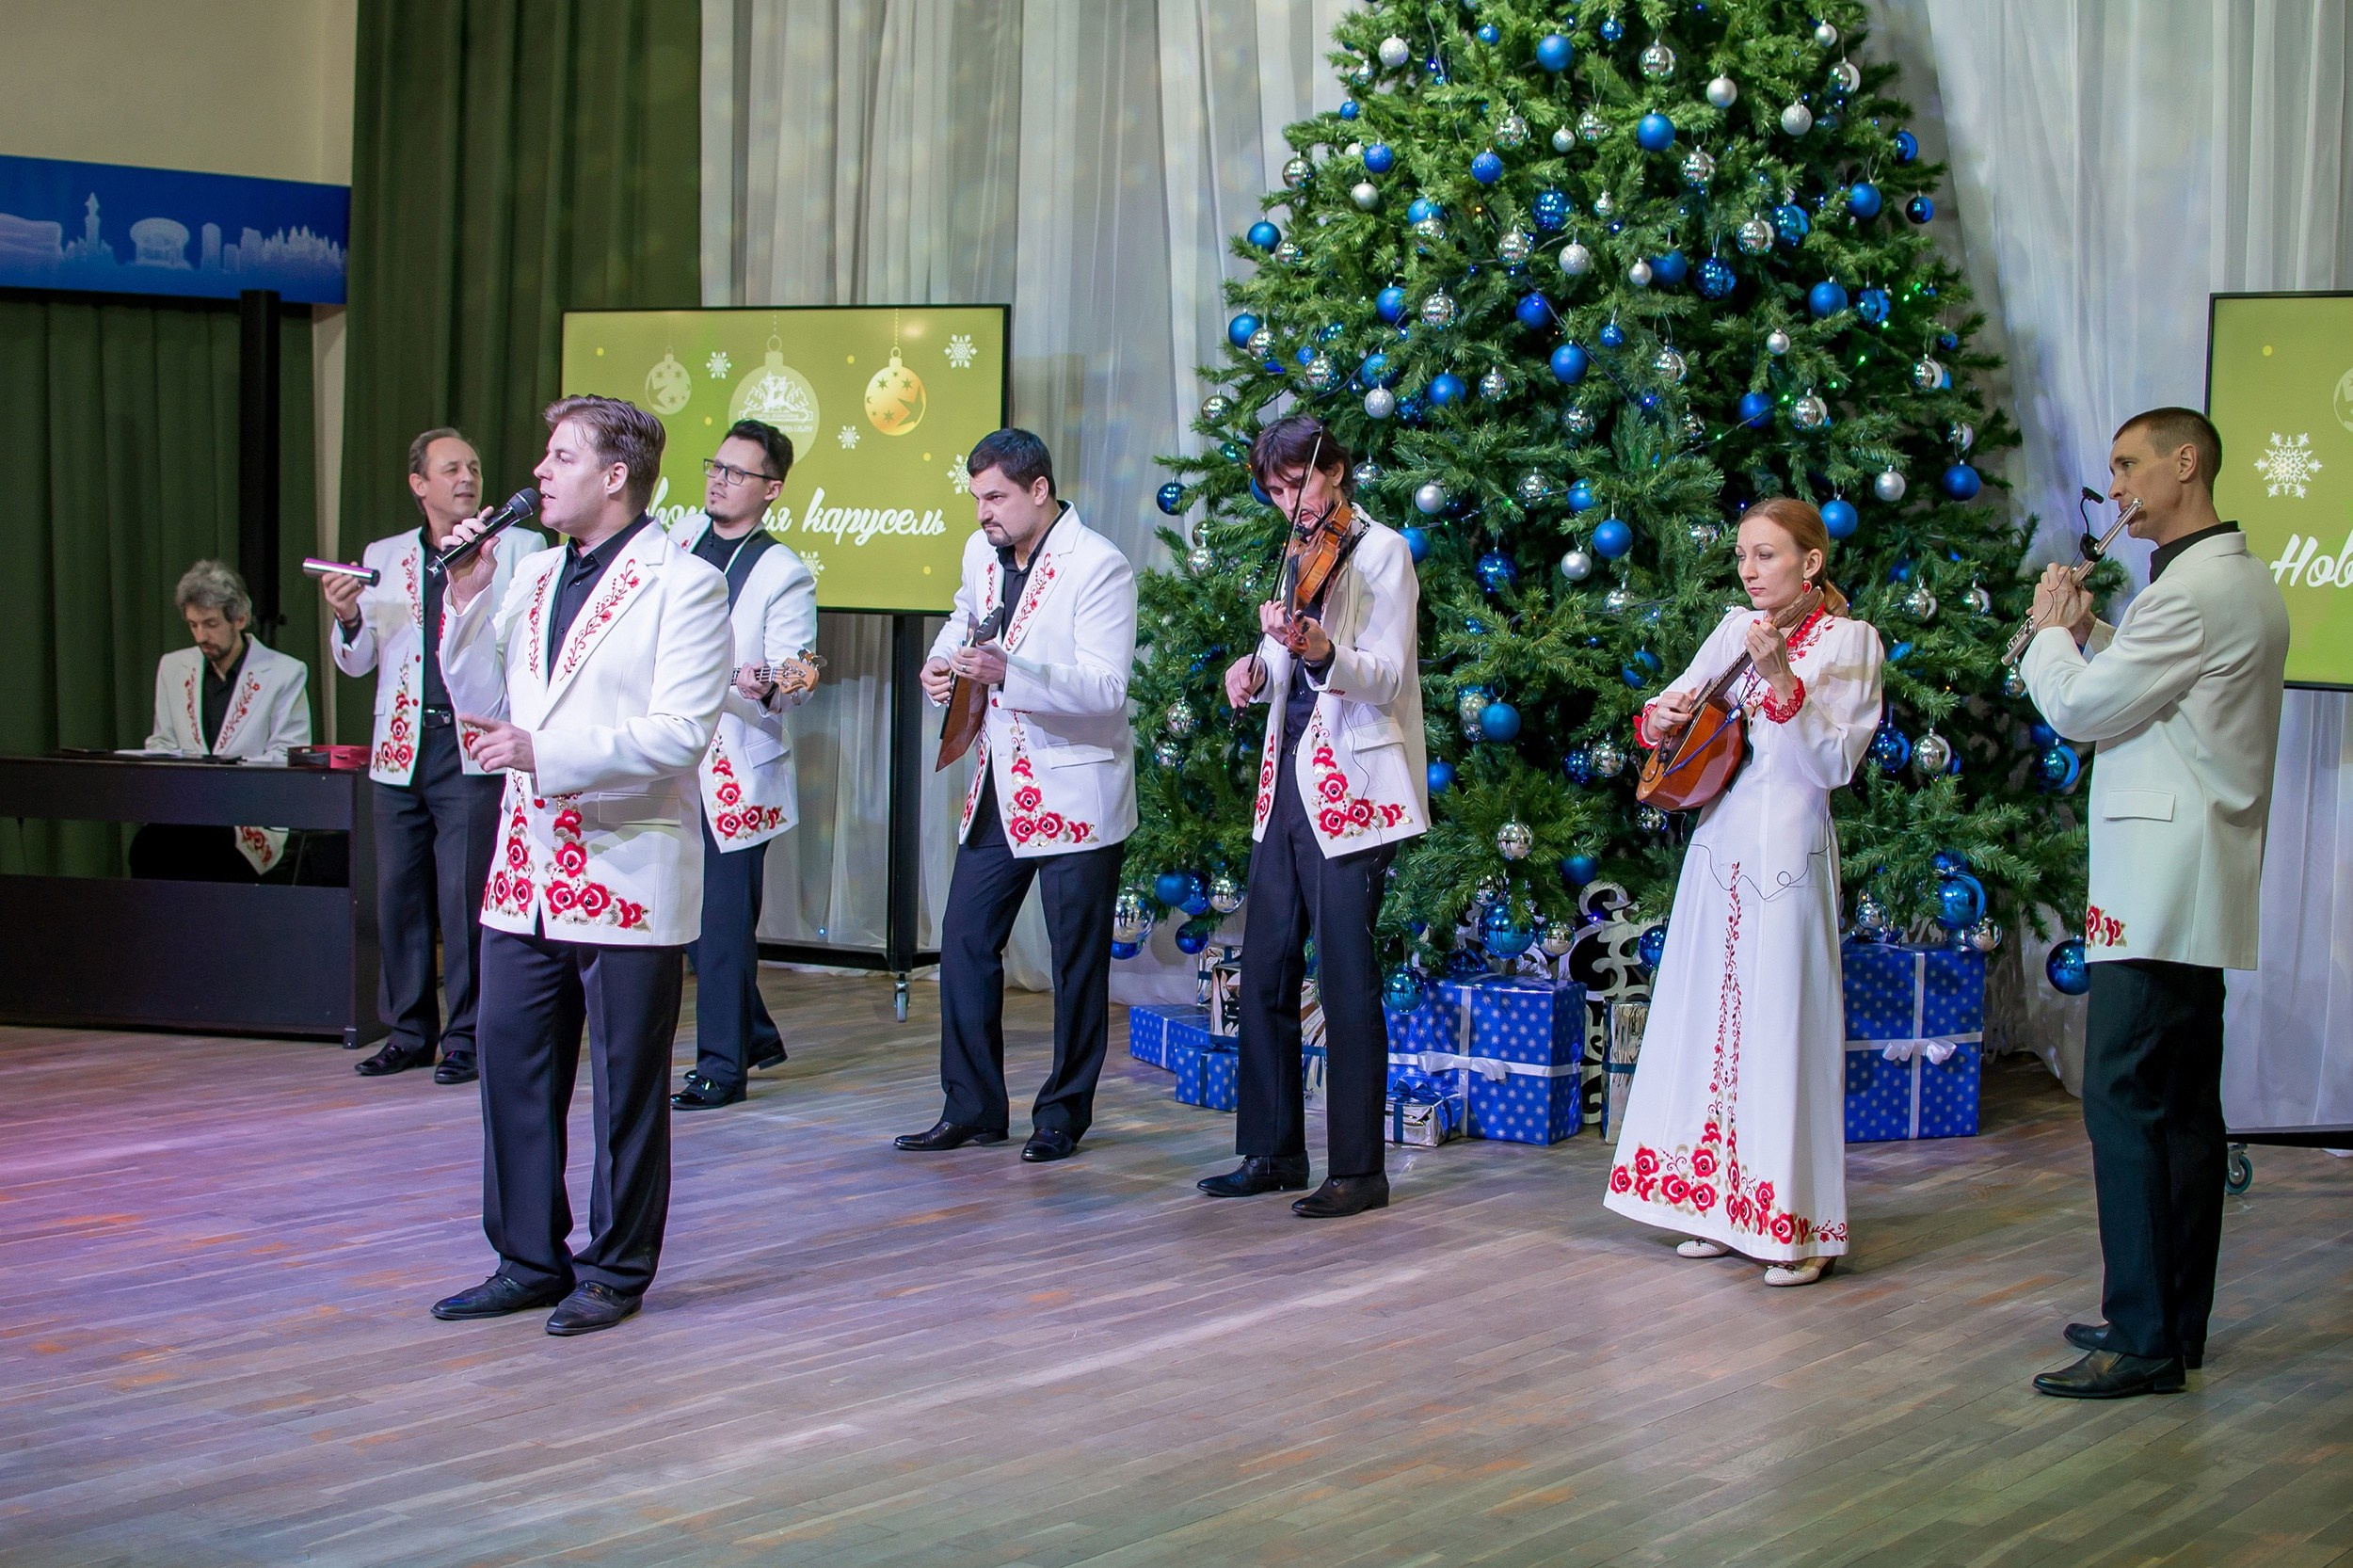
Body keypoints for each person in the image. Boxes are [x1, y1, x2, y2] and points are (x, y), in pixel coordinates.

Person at [427, 395, 730, 1337]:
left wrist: (543, 754)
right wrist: (469, 591)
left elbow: (681, 734)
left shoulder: (683, 584)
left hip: (626, 863)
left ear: (615, 476)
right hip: (525, 869)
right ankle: (525, 1256)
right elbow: (480, 698)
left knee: (625, 1081)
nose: (539, 473)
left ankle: (614, 1267)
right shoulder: (527, 575)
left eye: (560, 457)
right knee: (511, 1067)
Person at [2019, 408, 2288, 1400]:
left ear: (2186, 463)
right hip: (2198, 878)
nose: (2117, 486)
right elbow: (2161, 683)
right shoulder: (2233, 579)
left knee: (2123, 1101)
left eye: (2129, 465)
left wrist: (2051, 639)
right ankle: (2175, 1317)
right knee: (2179, 1108)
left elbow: (2088, 709)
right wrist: (2092, 630)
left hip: (2153, 880)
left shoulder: (2189, 593)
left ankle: (2140, 1337)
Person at [1602, 497, 1883, 1284]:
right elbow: (1671, 706)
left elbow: (1831, 765)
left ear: (1811, 562)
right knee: (1709, 1019)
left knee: (1778, 1024)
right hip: (1720, 847)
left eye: (1766, 554)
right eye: (1742, 554)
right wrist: (1664, 716)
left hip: (1788, 849)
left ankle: (1790, 1225)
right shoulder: (1732, 628)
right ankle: (1714, 1207)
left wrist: (1781, 679)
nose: (1749, 569)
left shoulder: (1853, 642)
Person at [1204, 416, 1427, 1219]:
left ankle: (1360, 1171)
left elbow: (1386, 674)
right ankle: (1272, 1152)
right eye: (1273, 489)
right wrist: (1251, 672)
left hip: (1355, 787)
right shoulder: (1298, 551)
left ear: (1333, 471)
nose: (1285, 501)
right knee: (1264, 967)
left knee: (1343, 974)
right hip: (1284, 782)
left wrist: (1321, 651)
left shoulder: (1382, 550)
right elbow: (1278, 657)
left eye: (1295, 482)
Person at [895, 428, 1135, 1163]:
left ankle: (1064, 1115)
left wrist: (1010, 673)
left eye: (994, 497)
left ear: (1039, 489)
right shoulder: (982, 554)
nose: (982, 514)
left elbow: (1107, 689)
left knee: (1075, 962)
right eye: (975, 498)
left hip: (1077, 788)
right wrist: (943, 665)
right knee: (965, 941)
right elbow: (963, 620)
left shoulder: (1099, 566)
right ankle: (971, 1107)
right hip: (1001, 781)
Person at [327, 428, 543, 1084]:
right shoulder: (386, 555)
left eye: (474, 467)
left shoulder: (522, 547)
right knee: (398, 894)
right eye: (451, 469)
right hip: (401, 744)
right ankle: (409, 1031)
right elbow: (362, 660)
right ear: (419, 483)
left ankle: (469, 1037)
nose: (468, 479)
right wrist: (346, 621)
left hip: (471, 739)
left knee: (464, 895)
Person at [664, 420, 819, 1111]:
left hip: (731, 762)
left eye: (737, 472)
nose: (718, 479)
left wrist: (772, 683)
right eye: (715, 466)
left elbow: (798, 669)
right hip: (665, 760)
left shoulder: (781, 569)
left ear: (772, 490)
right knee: (682, 918)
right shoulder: (674, 546)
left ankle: (722, 1067)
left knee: (722, 924)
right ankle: (752, 1031)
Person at [130, 559, 312, 881]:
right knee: (148, 846)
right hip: (186, 812)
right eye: (193, 625)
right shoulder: (173, 667)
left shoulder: (284, 673)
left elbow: (289, 757)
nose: (201, 635)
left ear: (239, 618)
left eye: (210, 624)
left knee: (208, 846)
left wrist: (223, 789)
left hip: (249, 817)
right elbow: (163, 742)